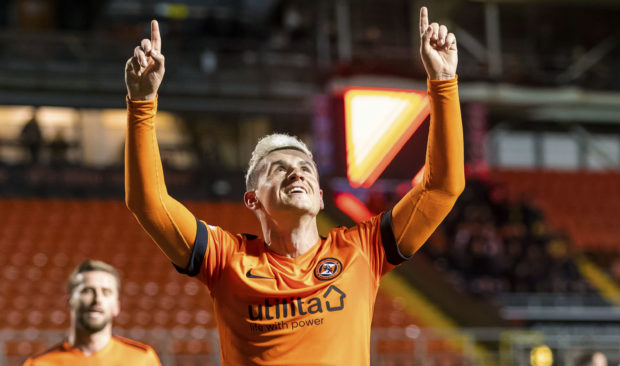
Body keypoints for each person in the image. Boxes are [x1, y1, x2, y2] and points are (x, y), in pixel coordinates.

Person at [124, 6, 463, 365]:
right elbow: (149, 203)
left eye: (305, 168)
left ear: (319, 198)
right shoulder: (226, 259)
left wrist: (443, 82)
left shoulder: (362, 249)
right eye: (278, 169)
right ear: (253, 199)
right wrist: (141, 103)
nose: (296, 173)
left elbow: (442, 187)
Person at [23, 260, 161, 365]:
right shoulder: (39, 364)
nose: (98, 299)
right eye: (87, 291)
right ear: (70, 301)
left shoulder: (142, 360)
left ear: (117, 306)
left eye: (106, 292)